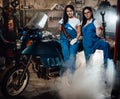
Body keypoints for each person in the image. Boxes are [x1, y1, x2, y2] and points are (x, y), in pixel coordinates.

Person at [58, 5, 81, 74]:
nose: (69, 13)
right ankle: (65, 74)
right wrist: (60, 25)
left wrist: (75, 39)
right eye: (67, 11)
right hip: (64, 40)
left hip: (73, 41)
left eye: (70, 11)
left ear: (73, 11)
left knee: (72, 56)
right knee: (66, 55)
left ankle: (72, 74)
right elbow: (59, 31)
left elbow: (79, 32)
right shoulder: (63, 20)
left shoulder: (77, 20)